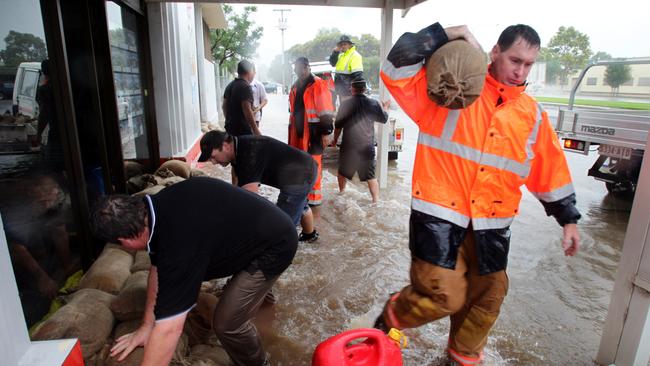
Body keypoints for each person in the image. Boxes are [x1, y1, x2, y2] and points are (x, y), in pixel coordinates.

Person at [373, 23, 582, 365]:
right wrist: (446, 32)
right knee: (444, 296)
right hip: (438, 220)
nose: (520, 70)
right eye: (515, 59)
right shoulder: (450, 88)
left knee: (488, 301)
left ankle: (460, 358)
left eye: (529, 64)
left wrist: (569, 220)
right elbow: (394, 69)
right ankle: (391, 318)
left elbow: (550, 171)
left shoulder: (532, 116)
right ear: (495, 52)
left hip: (492, 228)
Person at [92, 177, 298, 366]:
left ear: (125, 241)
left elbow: (169, 330)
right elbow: (157, 271)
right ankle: (264, 308)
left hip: (276, 245)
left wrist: (156, 330)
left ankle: (259, 363)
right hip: (256, 230)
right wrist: (147, 326)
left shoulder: (177, 246)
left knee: (226, 323)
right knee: (247, 296)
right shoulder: (155, 208)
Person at [197, 130, 320, 242]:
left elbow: (250, 201)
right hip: (305, 166)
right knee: (300, 206)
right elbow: (238, 183)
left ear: (225, 146)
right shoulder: (239, 145)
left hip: (301, 176)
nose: (213, 162)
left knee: (281, 229)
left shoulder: (248, 155)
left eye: (213, 157)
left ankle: (282, 258)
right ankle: (310, 237)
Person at [288, 57, 335, 218]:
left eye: (298, 68)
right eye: (295, 69)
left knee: (314, 164)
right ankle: (304, 195)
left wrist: (327, 132)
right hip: (298, 133)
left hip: (314, 133)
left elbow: (326, 111)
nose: (296, 71)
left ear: (307, 67)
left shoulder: (318, 84)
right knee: (300, 164)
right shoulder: (296, 86)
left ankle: (314, 199)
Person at [331, 78, 389, 203]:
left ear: (352, 89)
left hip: (349, 147)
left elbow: (338, 125)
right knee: (370, 176)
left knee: (342, 172)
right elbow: (383, 119)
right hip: (367, 146)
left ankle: (341, 194)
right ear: (365, 89)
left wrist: (335, 140)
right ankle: (376, 201)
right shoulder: (373, 103)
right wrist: (384, 108)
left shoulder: (345, 104)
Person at [35, 59, 64, 171]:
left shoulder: (45, 89)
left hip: (57, 135)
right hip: (76, 133)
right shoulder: (66, 86)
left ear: (44, 72)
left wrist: (38, 135)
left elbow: (44, 114)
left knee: (54, 167)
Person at [223, 60, 261, 137]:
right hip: (243, 133)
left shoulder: (230, 85)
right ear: (249, 71)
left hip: (230, 130)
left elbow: (224, 106)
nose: (253, 75)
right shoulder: (245, 87)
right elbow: (247, 111)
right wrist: (256, 130)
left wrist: (229, 121)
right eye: (253, 72)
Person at [329, 35, 363, 103]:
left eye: (345, 44)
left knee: (348, 112)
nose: (343, 46)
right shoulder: (341, 55)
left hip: (349, 93)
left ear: (350, 45)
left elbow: (358, 76)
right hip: (342, 92)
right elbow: (332, 63)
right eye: (341, 45)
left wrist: (355, 94)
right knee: (344, 112)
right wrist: (335, 52)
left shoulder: (355, 56)